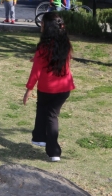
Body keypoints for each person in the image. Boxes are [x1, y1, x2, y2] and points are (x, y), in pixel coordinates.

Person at [23, 12, 75, 162]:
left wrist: (28, 90)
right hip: (64, 88)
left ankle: (54, 151)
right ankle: (39, 138)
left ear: (47, 27)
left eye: (42, 23)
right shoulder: (65, 44)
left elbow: (36, 72)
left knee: (50, 115)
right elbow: (58, 58)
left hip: (48, 88)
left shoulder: (43, 48)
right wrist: (37, 58)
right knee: (46, 111)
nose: (41, 25)